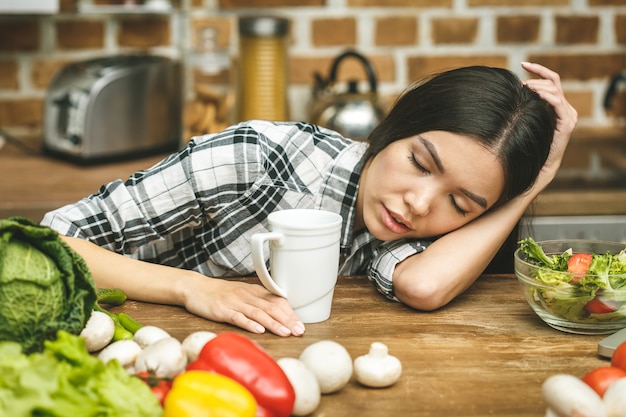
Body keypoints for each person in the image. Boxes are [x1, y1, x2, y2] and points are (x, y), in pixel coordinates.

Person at [41, 62, 577, 337]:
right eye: (419, 162)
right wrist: (190, 288)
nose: (418, 204)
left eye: (462, 205)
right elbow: (50, 243)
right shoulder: (256, 156)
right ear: (393, 126)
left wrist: (535, 181)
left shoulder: (404, 229)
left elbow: (422, 284)